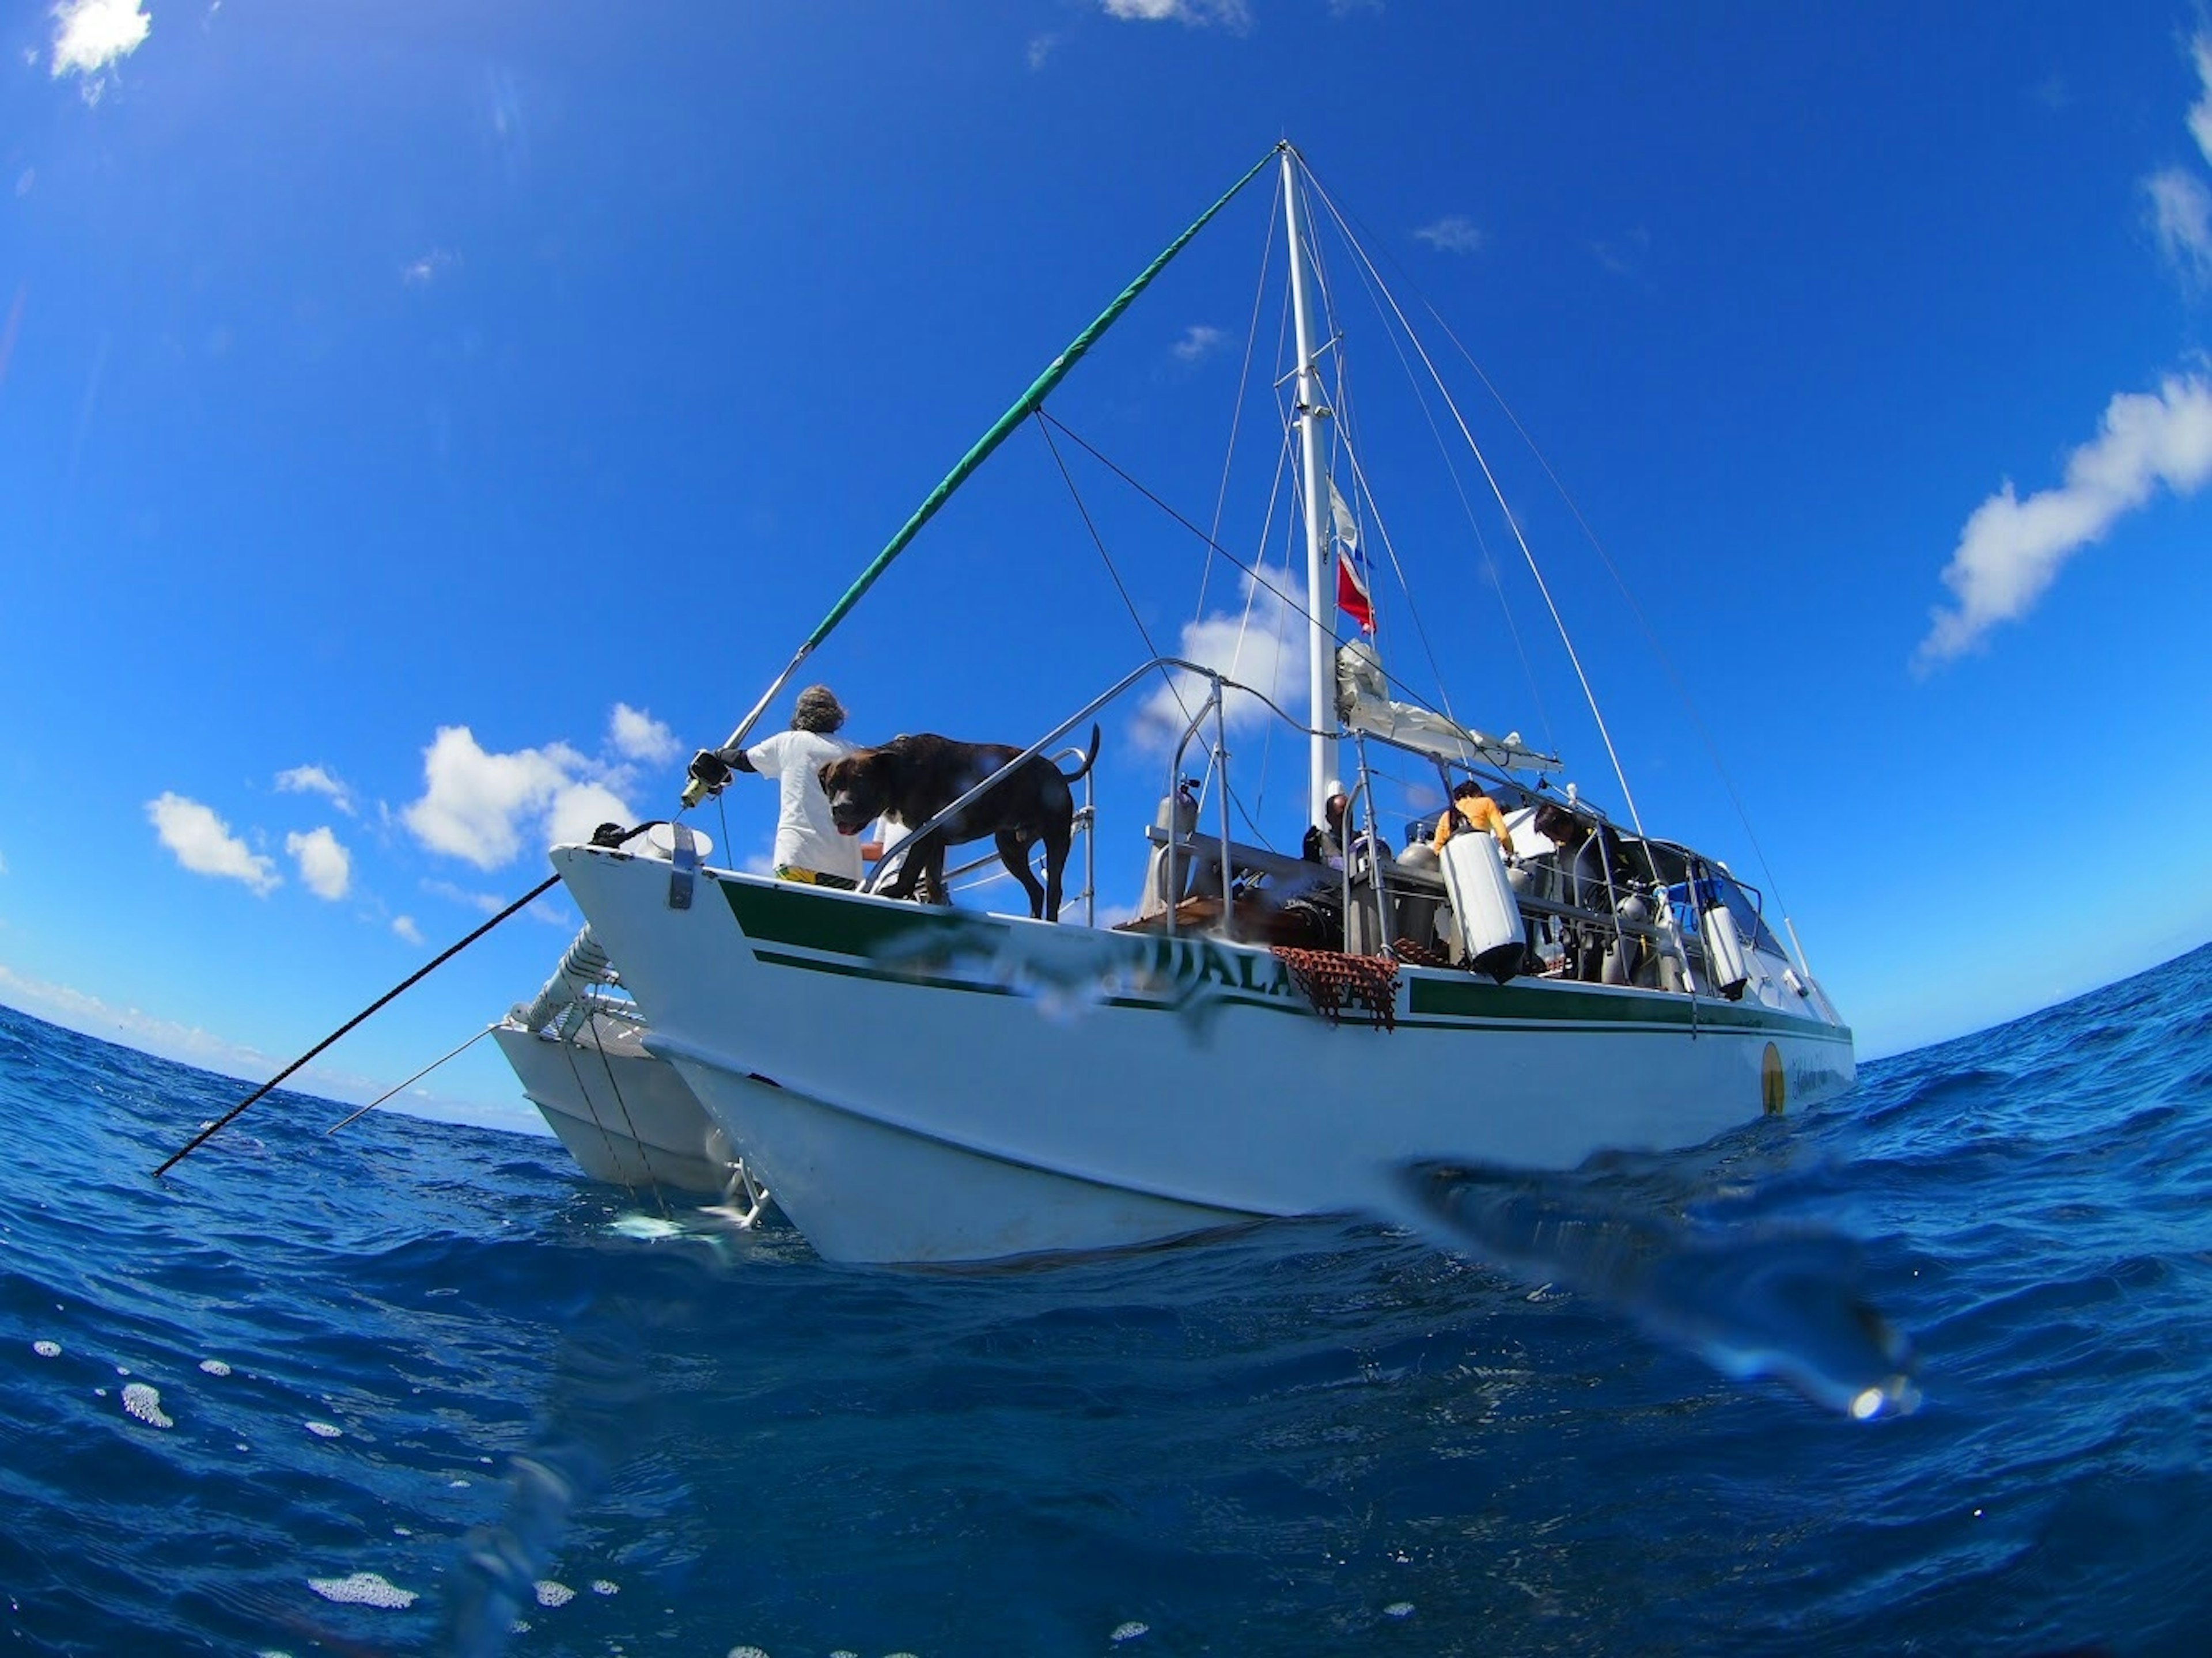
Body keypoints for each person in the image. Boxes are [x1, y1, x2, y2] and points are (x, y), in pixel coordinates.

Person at [688, 685, 869, 889]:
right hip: (846, 868)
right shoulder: (856, 753)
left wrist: (718, 754)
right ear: (836, 715)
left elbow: (744, 761)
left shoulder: (789, 742)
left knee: (795, 918)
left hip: (798, 858)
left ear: (800, 715)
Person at [1430, 779, 1516, 859]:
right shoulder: (1486, 802)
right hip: (1481, 851)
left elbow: (1437, 848)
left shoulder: (1446, 816)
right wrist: (1510, 853)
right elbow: (1503, 835)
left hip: (1458, 859)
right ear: (1477, 793)